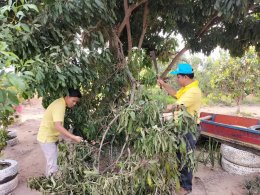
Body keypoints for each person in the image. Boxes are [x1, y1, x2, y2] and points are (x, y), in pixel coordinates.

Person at [157, 63, 202, 195]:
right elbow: (176, 94)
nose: (177, 79)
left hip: (190, 128)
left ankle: (186, 187)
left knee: (186, 157)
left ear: (185, 77)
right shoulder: (187, 88)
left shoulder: (194, 91)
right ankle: (181, 181)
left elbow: (174, 106)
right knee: (179, 155)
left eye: (178, 77)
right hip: (182, 127)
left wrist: (155, 110)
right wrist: (164, 85)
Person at [37, 88, 83, 177]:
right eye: (73, 101)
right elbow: (58, 126)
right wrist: (73, 137)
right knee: (53, 165)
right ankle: (51, 186)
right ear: (67, 97)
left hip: (48, 137)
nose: (74, 104)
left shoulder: (60, 103)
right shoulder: (60, 106)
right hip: (47, 138)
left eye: (76, 102)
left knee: (52, 161)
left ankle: (48, 180)